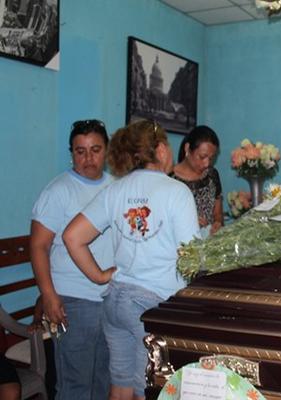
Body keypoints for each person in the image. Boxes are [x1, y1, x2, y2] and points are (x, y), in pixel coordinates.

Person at [62, 120, 200, 400]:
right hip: (152, 308)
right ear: (160, 149)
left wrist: (101, 276)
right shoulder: (176, 191)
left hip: (116, 302)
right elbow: (193, 258)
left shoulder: (115, 190)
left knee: (121, 388)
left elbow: (72, 237)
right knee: (146, 391)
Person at [30, 119, 113, 400]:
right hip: (73, 301)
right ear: (71, 153)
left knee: (104, 382)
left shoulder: (116, 188)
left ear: (107, 151)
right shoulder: (59, 191)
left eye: (95, 149)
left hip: (110, 298)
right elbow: (38, 246)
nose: (88, 158)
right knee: (74, 386)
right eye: (80, 151)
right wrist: (49, 295)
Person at [171, 125, 223, 235]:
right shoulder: (169, 179)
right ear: (187, 149)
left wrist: (217, 224)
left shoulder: (212, 175)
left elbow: (218, 215)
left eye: (211, 158)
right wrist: (190, 223)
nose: (207, 163)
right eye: (202, 157)